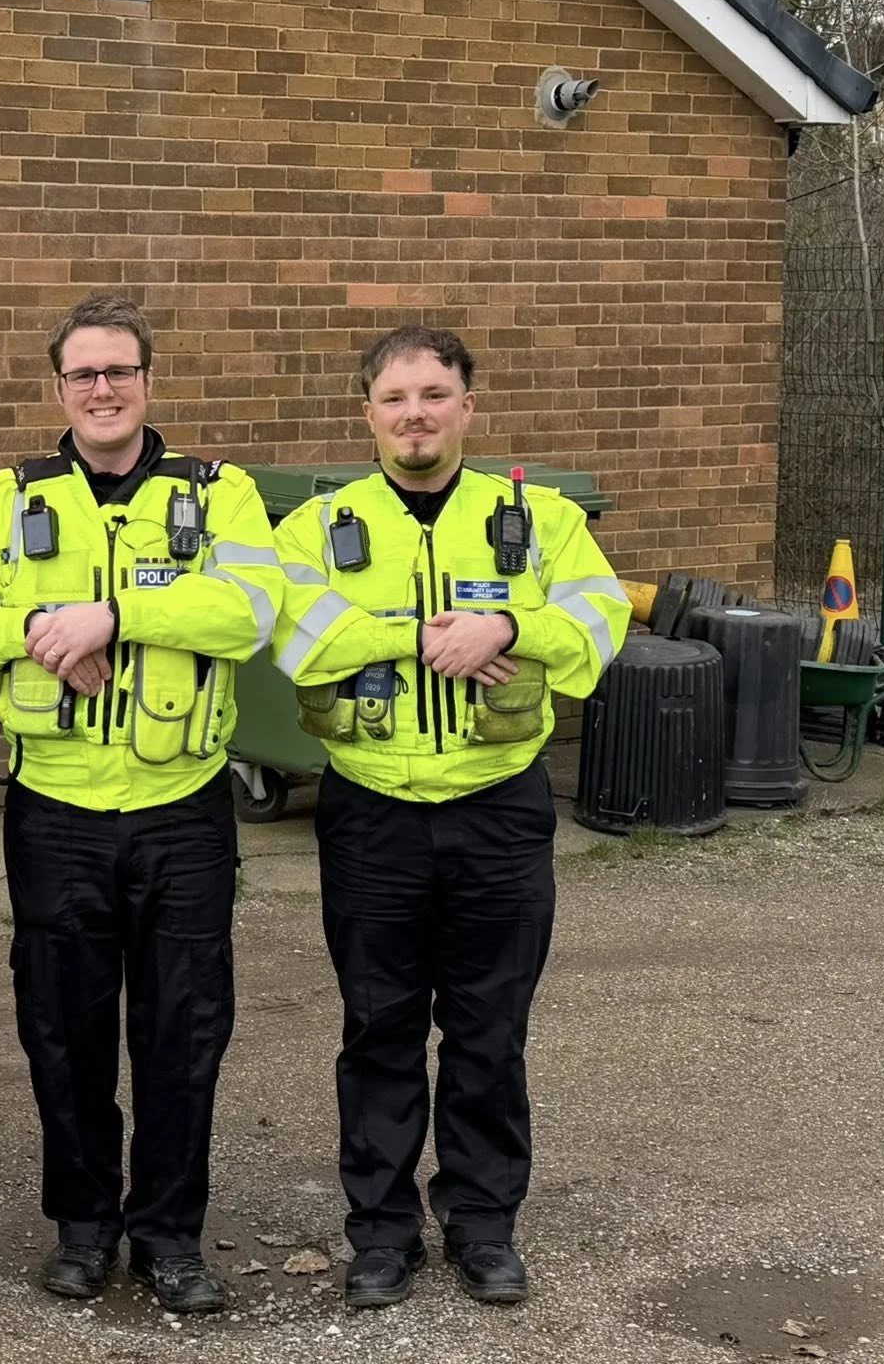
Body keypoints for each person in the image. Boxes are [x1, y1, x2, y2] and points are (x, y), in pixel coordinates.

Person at [0, 294, 284, 1315]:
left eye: (120, 370)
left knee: (183, 1031)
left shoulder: (218, 494)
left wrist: (115, 617)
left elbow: (252, 610)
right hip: (56, 812)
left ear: (147, 382)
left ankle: (168, 1236)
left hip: (181, 809)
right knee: (62, 1030)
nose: (103, 388)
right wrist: (44, 625)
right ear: (59, 390)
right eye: (84, 374)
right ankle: (83, 1226)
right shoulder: (7, 498)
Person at [271, 326, 630, 1310]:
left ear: (467, 407)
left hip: (497, 807)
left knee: (487, 1031)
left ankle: (481, 1225)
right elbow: (295, 636)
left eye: (434, 395)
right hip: (371, 811)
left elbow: (600, 621)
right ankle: (382, 1233)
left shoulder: (540, 520)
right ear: (367, 414)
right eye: (394, 399)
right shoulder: (317, 527)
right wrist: (428, 637)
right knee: (377, 1029)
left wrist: (509, 624)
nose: (414, 415)